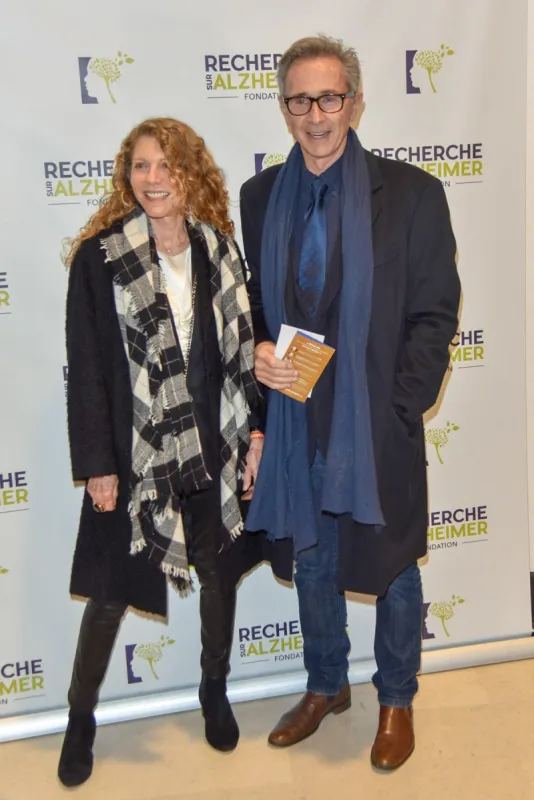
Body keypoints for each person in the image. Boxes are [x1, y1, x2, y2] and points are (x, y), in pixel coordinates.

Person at [240, 36, 460, 770]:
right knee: (310, 558)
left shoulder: (413, 194)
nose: (316, 114)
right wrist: (261, 355)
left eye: (330, 97)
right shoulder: (260, 197)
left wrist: (401, 409)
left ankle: (395, 696)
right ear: (284, 109)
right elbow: (255, 313)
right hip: (297, 415)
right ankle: (326, 684)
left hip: (374, 425)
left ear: (356, 102)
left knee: (393, 564)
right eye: (300, 99)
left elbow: (434, 314)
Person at [59, 117, 263, 787]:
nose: (152, 179)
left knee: (218, 573)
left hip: (216, 446)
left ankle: (214, 689)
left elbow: (242, 353)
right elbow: (86, 366)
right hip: (136, 455)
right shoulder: (102, 258)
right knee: (111, 592)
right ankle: (80, 719)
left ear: (190, 174)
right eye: (141, 166)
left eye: (166, 166)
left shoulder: (220, 251)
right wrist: (98, 464)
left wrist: (254, 433)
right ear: (128, 176)